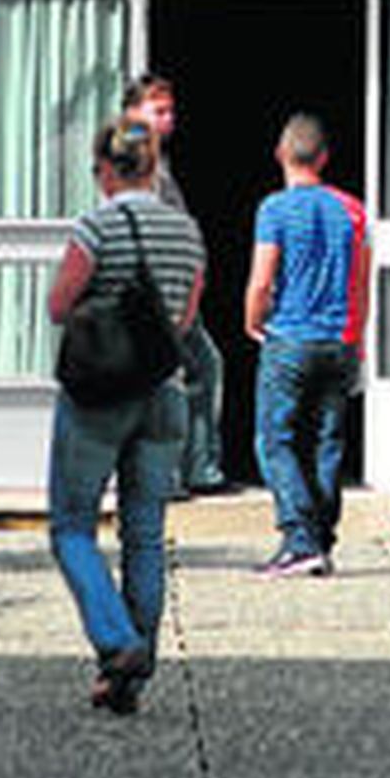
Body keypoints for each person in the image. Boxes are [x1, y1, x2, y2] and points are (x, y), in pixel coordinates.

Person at [46, 118, 206, 714]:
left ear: (108, 169)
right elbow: (185, 319)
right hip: (163, 394)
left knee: (70, 525)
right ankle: (129, 676)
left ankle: (116, 643)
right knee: (144, 535)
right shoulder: (187, 230)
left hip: (99, 396)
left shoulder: (98, 224)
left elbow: (60, 304)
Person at [244, 115, 370, 577]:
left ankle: (299, 538)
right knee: (327, 441)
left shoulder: (274, 209)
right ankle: (321, 539)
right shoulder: (352, 209)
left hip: (291, 338)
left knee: (275, 439)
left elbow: (262, 279)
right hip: (339, 339)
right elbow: (360, 283)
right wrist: (357, 339)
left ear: (281, 155)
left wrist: (253, 321)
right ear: (324, 158)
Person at [123, 73, 233, 498]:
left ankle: (194, 469)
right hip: (158, 293)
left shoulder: (154, 160)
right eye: (159, 110)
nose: (170, 118)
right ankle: (171, 473)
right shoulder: (138, 163)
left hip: (175, 289)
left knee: (200, 369)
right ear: (134, 113)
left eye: (171, 110)